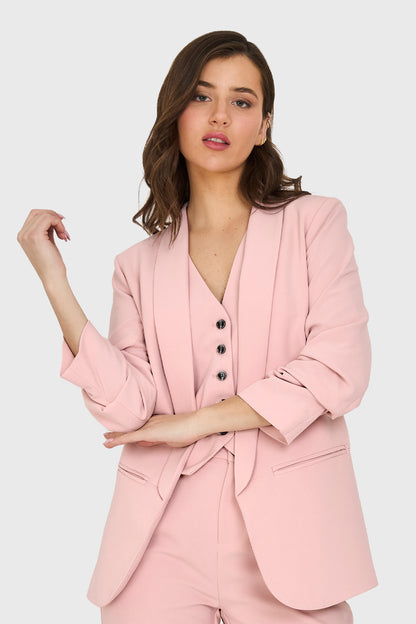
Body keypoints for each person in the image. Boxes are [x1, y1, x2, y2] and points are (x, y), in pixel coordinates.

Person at [17, 30, 378, 624]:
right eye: (201, 96)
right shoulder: (136, 266)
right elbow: (127, 409)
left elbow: (341, 367)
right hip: (156, 540)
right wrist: (55, 282)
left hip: (293, 539)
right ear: (175, 112)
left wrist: (192, 423)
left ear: (263, 126)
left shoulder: (315, 223)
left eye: (242, 101)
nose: (219, 116)